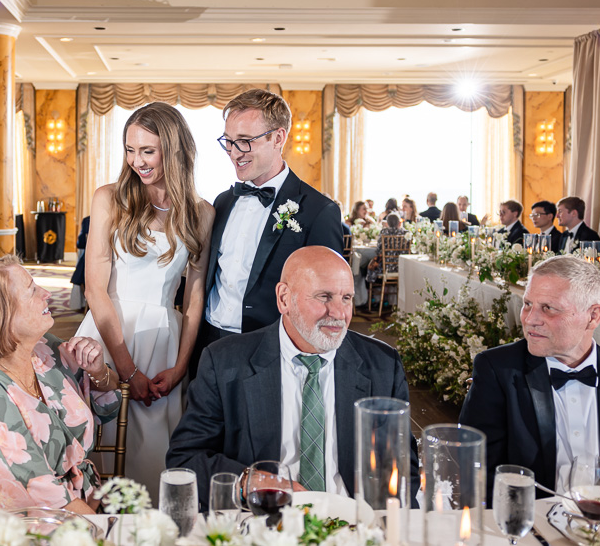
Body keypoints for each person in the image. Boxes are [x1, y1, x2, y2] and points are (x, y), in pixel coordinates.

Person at [168, 246, 416, 508]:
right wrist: (251, 482)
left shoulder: (382, 366)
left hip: (355, 523)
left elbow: (403, 468)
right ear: (284, 298)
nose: (339, 313)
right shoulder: (226, 363)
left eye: (346, 298)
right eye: (324, 297)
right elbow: (186, 459)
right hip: (263, 521)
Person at [76, 102, 215, 498]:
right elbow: (94, 288)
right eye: (129, 149)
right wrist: (126, 369)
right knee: (100, 442)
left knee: (156, 450)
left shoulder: (202, 213)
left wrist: (180, 367)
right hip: (108, 334)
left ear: (173, 149)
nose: (136, 161)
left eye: (147, 151)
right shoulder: (109, 198)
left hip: (165, 342)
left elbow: (194, 296)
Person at [459, 255, 600, 501]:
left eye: (548, 308)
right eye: (528, 304)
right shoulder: (498, 371)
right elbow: (474, 472)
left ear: (593, 316)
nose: (530, 319)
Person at [0, 256, 120, 514]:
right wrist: (108, 534)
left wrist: (98, 370)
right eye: (32, 290)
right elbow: (49, 499)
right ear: (2, 316)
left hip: (89, 502)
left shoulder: (47, 349)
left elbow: (109, 409)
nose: (46, 294)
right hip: (27, 527)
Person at [193, 89, 341, 370]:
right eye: (229, 142)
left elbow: (327, 302)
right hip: (208, 345)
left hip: (271, 352)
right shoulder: (223, 202)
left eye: (245, 142)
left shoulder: (319, 211)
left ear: (278, 138)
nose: (234, 153)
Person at [365, 214, 409, 298]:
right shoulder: (406, 233)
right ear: (399, 223)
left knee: (371, 266)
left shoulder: (384, 232)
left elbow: (378, 251)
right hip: (401, 267)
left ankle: (374, 299)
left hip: (386, 268)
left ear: (387, 223)